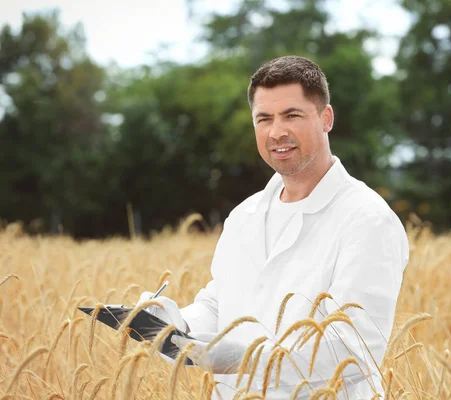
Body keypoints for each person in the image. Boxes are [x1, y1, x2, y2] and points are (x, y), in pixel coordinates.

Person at [137, 55, 410, 399]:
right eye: (264, 119)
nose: (277, 132)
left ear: (326, 118)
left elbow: (354, 349)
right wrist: (176, 323)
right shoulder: (243, 216)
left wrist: (246, 359)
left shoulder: (367, 219)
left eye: (292, 115)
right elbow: (220, 304)